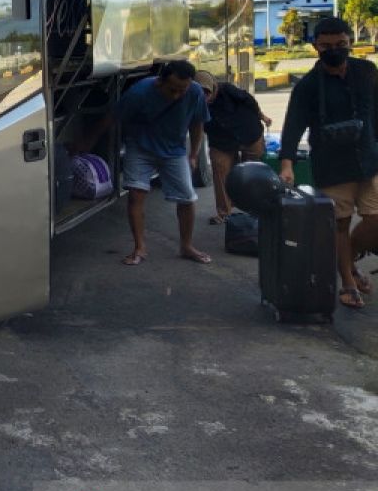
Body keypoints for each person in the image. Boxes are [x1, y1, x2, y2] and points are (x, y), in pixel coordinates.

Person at [279, 16, 378, 309]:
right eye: (326, 46)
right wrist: (286, 164)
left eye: (341, 44)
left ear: (350, 42)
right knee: (340, 226)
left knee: (374, 221)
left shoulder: (366, 71)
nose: (334, 50)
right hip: (332, 166)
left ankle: (350, 256)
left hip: (368, 159)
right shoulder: (308, 86)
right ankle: (347, 281)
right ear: (315, 47)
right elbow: (292, 127)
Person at [117, 59, 212, 266]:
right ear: (160, 82)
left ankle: (186, 246)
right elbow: (115, 118)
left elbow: (197, 125)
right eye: (172, 90)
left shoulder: (195, 92)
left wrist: (193, 154)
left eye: (182, 90)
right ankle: (139, 247)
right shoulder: (138, 93)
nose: (177, 95)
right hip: (140, 146)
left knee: (187, 198)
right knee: (136, 195)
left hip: (174, 150)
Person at [194, 70, 272, 224]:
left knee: (255, 174)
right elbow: (195, 126)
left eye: (207, 92)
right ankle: (224, 213)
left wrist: (262, 116)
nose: (204, 96)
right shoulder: (193, 102)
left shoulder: (228, 90)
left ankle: (255, 210)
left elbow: (250, 102)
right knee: (220, 170)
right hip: (222, 142)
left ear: (213, 88)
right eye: (199, 92)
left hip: (249, 134)